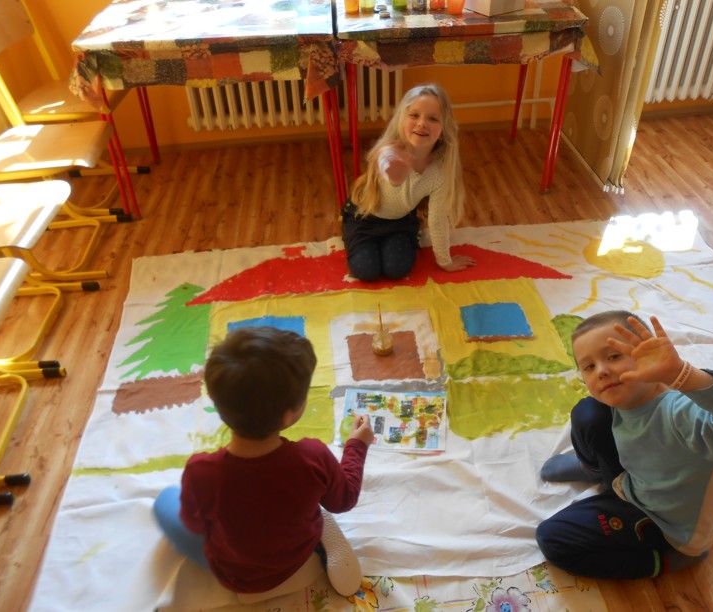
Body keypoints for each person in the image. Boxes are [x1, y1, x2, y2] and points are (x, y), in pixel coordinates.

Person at [535, 311, 713, 579]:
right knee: (588, 412)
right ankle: (596, 472)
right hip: (638, 478)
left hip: (663, 520)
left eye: (614, 356)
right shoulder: (626, 396)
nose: (601, 371)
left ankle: (668, 559)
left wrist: (684, 374)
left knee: (552, 538)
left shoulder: (679, 415)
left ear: (649, 355)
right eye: (589, 367)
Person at [153, 326, 375, 598]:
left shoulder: (200, 472)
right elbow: (344, 499)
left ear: (217, 403)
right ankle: (314, 526)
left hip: (235, 576)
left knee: (164, 501)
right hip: (297, 556)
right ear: (288, 415)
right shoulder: (312, 457)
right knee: (311, 492)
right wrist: (357, 445)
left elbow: (195, 525)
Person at [342, 83, 476, 281]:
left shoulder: (439, 173)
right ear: (402, 119)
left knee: (397, 270)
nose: (422, 123)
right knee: (366, 271)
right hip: (364, 218)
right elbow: (389, 169)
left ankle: (402, 238)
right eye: (414, 115)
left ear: (444, 128)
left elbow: (438, 220)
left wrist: (445, 262)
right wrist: (396, 170)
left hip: (400, 223)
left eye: (432, 118)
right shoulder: (389, 149)